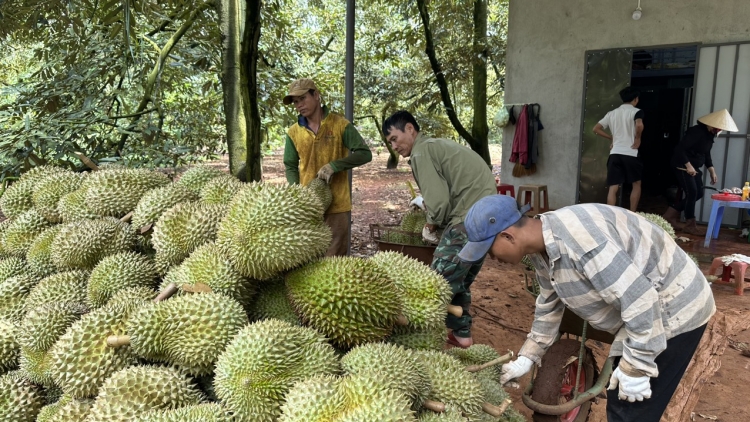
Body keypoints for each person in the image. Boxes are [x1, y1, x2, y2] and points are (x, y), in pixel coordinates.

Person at [457, 195, 716, 422]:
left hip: (674, 307)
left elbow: (642, 302)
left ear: (508, 235)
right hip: (643, 306)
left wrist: (637, 367)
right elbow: (549, 301)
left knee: (631, 409)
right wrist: (528, 356)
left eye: (489, 251)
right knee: (621, 400)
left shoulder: (583, 244)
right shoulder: (542, 243)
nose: (492, 258)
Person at [383, 110, 497, 348]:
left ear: (410, 129)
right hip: (487, 219)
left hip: (467, 218)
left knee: (435, 282)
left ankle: (418, 339)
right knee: (459, 279)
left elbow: (439, 202)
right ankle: (461, 335)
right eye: (390, 142)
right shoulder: (436, 146)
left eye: (394, 138)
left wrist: (431, 222)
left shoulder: (422, 152)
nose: (394, 146)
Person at [282, 78, 372, 256]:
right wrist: (296, 192)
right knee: (307, 260)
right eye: (295, 102)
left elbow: (364, 153)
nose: (299, 105)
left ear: (316, 95)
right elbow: (290, 165)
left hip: (337, 205)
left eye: (303, 99)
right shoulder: (293, 132)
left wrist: (335, 165)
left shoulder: (340, 125)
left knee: (333, 262)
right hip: (307, 205)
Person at [662, 109, 738, 235]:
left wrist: (712, 171)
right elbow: (680, 149)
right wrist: (688, 166)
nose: (718, 130)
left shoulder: (709, 135)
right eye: (717, 127)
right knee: (692, 192)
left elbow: (706, 154)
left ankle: (669, 216)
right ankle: (690, 225)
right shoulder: (696, 132)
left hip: (693, 167)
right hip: (682, 165)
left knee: (698, 193)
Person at [593, 86, 645, 212]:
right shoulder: (637, 111)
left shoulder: (612, 113)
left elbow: (596, 129)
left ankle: (611, 214)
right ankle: (632, 213)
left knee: (613, 187)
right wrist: (638, 138)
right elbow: (639, 124)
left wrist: (611, 138)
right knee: (636, 184)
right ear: (636, 99)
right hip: (631, 153)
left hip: (615, 153)